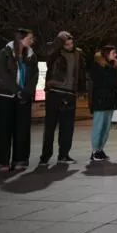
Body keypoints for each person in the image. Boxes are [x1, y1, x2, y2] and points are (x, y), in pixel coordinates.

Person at [40, 31, 87, 164]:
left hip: (70, 93)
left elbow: (81, 72)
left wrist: (82, 89)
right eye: (66, 44)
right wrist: (58, 41)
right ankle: (45, 156)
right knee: (50, 127)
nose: (70, 46)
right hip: (54, 92)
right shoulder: (55, 52)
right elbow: (45, 52)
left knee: (67, 128)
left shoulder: (79, 53)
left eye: (71, 43)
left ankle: (63, 155)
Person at [0, 29, 38, 172]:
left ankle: (20, 160)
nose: (32, 41)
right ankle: (2, 162)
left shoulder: (31, 56)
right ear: (21, 39)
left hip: (23, 98)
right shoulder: (4, 53)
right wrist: (17, 90)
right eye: (30, 38)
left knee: (22, 130)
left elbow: (34, 76)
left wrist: (26, 92)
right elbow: (2, 74)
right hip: (6, 97)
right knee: (4, 130)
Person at [88, 46, 117, 162]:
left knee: (106, 128)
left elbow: (114, 84)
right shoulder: (97, 66)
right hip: (100, 101)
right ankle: (95, 150)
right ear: (106, 54)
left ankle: (100, 149)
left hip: (110, 101)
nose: (115, 55)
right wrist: (116, 83)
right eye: (113, 53)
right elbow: (101, 83)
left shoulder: (113, 66)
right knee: (99, 126)